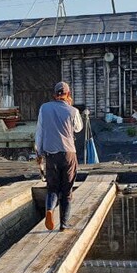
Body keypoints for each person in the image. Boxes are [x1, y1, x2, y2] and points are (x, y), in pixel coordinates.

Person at [34, 81, 84, 231]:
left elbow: (40, 132)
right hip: (68, 154)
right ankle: (63, 224)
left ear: (55, 94)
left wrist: (39, 153)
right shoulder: (73, 111)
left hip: (50, 154)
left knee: (52, 188)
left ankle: (49, 210)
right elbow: (78, 128)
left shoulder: (44, 109)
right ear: (68, 94)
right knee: (67, 190)